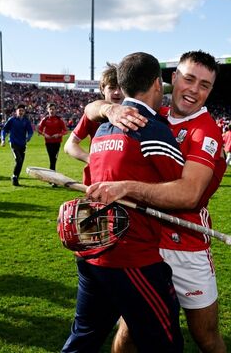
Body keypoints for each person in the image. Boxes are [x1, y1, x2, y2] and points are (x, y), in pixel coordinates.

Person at [85, 50, 227, 353]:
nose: (194, 89)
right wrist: (109, 109)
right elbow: (89, 108)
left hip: (187, 247)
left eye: (205, 85)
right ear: (171, 80)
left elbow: (189, 195)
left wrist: (125, 187)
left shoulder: (206, 131)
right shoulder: (148, 114)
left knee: (206, 336)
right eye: (189, 79)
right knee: (129, 333)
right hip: (143, 246)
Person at [62, 52, 184, 353]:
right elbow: (183, 194)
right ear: (157, 83)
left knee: (84, 339)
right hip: (132, 257)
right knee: (165, 343)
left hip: (93, 250)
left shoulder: (102, 130)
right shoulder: (151, 129)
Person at [64, 62, 123, 167]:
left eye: (121, 87)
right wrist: (91, 159)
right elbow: (69, 145)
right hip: (95, 179)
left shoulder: (133, 113)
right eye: (112, 88)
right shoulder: (92, 114)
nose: (117, 92)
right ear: (102, 89)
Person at [1, 104, 33, 186]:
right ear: (16, 111)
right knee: (18, 160)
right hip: (14, 143)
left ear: (24, 112)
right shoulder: (12, 120)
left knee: (21, 162)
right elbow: (4, 130)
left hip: (23, 144)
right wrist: (3, 140)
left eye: (22, 111)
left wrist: (29, 137)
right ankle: (14, 176)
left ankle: (15, 178)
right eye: (19, 110)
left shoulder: (26, 121)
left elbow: (30, 131)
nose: (21, 112)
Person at [37, 103, 67, 171]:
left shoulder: (59, 120)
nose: (52, 110)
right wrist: (45, 134)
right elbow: (39, 129)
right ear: (48, 110)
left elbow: (65, 131)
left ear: (55, 110)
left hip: (57, 142)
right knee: (52, 158)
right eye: (50, 109)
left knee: (54, 159)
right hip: (48, 142)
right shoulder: (45, 119)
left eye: (53, 109)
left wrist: (58, 135)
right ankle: (53, 174)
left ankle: (52, 175)